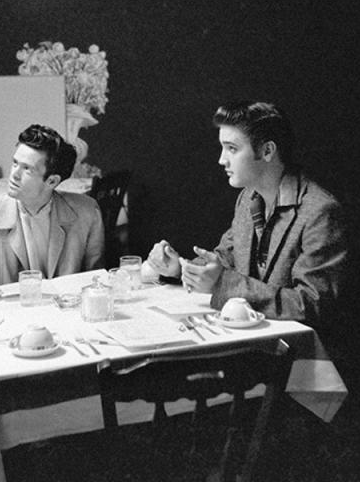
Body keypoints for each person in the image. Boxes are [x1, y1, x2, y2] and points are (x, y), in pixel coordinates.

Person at [146, 100, 347, 327]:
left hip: (299, 353)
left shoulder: (320, 212)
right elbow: (225, 260)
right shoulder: (248, 198)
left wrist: (221, 284)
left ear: (267, 150)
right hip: (250, 338)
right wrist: (181, 268)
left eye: (232, 148)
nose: (222, 160)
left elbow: (311, 304)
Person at [0, 124, 105, 288]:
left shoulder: (88, 213)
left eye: (27, 169)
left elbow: (95, 283)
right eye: (15, 163)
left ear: (52, 181)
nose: (14, 174)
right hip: (5, 313)